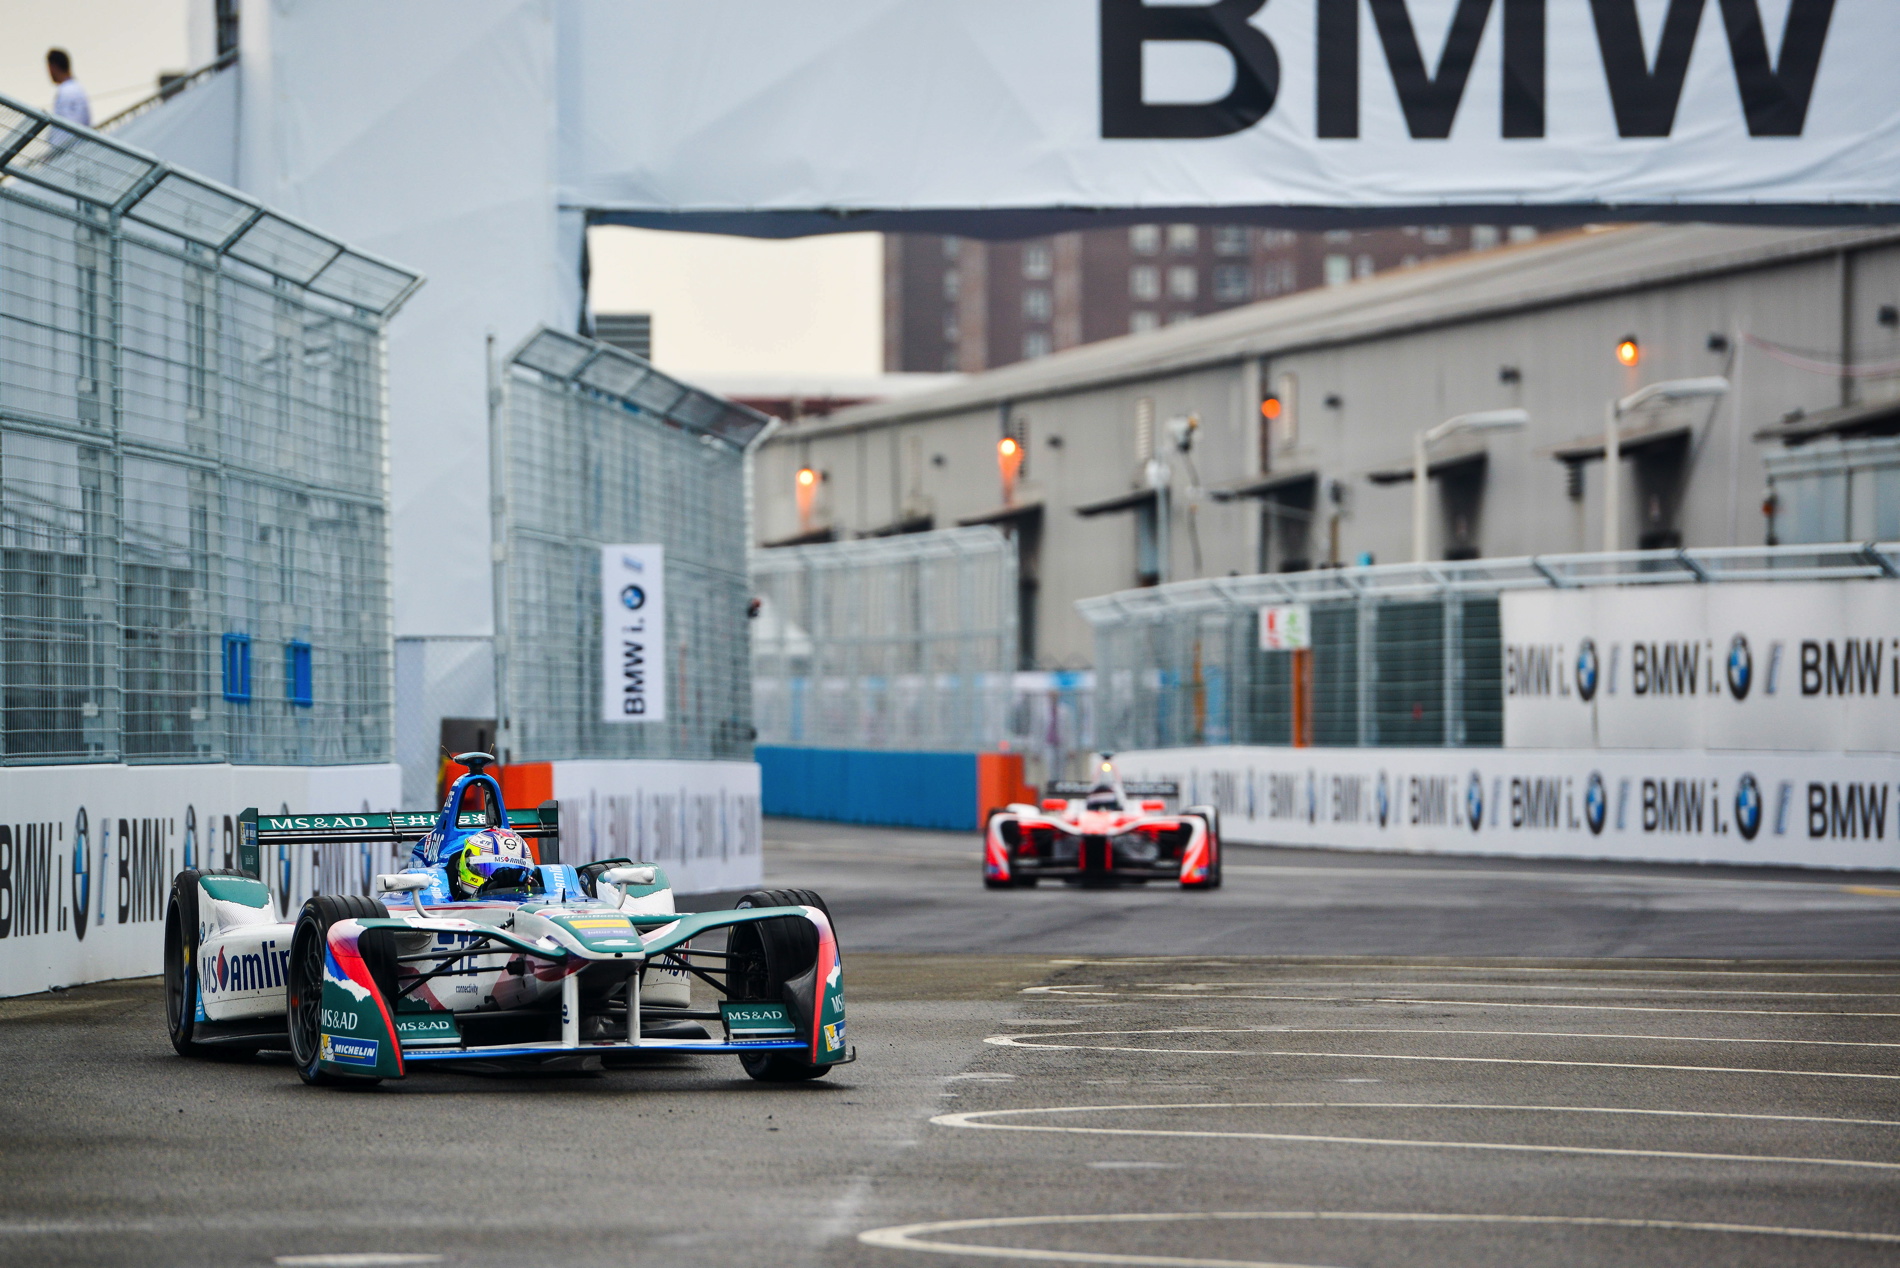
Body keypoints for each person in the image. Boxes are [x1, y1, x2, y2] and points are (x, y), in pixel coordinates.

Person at [46, 49, 91, 129]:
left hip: (70, 136)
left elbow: (67, 125)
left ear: (53, 67)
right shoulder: (76, 88)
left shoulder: (67, 92)